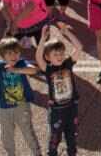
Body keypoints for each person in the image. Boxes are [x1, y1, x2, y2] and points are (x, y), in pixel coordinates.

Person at [0, 38, 41, 156]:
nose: (14, 55)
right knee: (6, 134)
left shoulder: (22, 63)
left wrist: (16, 69)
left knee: (27, 131)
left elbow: (34, 70)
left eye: (16, 52)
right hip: (5, 107)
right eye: (10, 53)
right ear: (3, 56)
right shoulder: (1, 66)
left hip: (22, 105)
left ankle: (37, 153)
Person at [35, 23, 82, 156]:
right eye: (56, 54)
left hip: (71, 107)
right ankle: (52, 153)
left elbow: (79, 47)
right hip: (56, 110)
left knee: (72, 135)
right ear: (48, 57)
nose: (60, 56)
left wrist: (67, 32)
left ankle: (72, 152)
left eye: (61, 53)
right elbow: (38, 57)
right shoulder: (48, 69)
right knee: (55, 136)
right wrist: (43, 39)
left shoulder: (67, 64)